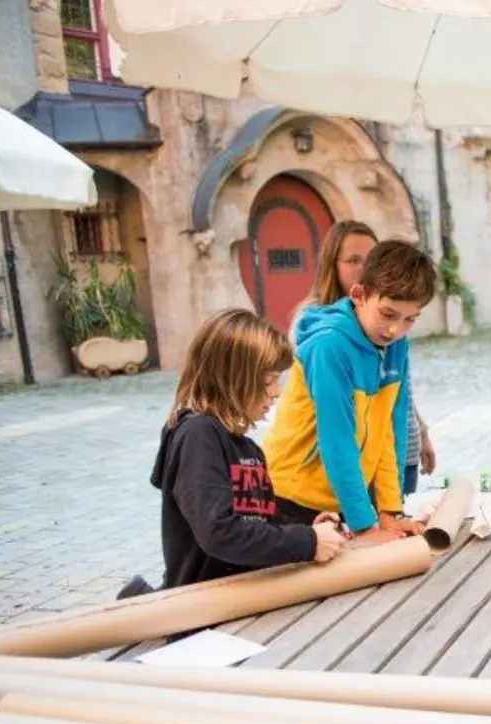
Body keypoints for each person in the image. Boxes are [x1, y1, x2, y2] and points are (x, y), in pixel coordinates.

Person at [147, 309, 346, 591]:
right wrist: (308, 542)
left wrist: (306, 524)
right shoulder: (198, 435)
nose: (276, 392)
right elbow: (219, 532)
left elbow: (256, 516)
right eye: (267, 381)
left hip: (249, 593)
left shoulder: (247, 447)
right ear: (233, 378)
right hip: (203, 605)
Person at [263, 240, 434, 538]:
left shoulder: (395, 345)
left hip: (336, 501)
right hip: (289, 499)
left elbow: (389, 432)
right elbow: (336, 440)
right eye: (388, 314)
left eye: (410, 319)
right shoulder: (329, 346)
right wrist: (364, 526)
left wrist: (389, 511)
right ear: (358, 295)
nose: (396, 330)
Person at [300, 220, 437, 495]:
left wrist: (421, 431)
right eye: (353, 260)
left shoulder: (392, 326)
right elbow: (326, 416)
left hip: (398, 453)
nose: (363, 268)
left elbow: (399, 390)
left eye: (370, 258)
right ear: (332, 264)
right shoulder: (321, 332)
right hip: (345, 469)